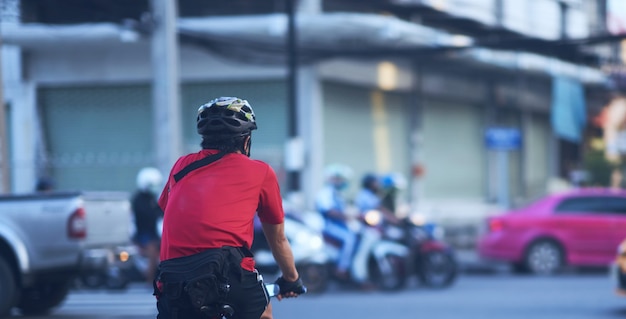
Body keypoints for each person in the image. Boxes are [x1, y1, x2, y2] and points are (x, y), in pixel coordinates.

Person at [156, 97, 304, 319]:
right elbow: (278, 239)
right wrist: (291, 279)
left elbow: (169, 210)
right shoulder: (261, 172)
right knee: (263, 312)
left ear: (205, 139)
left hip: (172, 278)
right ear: (246, 140)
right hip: (226, 271)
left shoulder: (181, 166)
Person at [315, 163, 357, 280]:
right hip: (328, 226)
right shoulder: (325, 193)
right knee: (349, 239)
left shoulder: (338, 194)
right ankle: (341, 269)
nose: (342, 181)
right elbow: (329, 211)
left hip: (340, 226)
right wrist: (346, 216)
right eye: (339, 179)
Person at [131, 167, 164, 286]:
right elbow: (149, 215)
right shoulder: (138, 200)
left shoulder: (152, 199)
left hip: (153, 233)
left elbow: (160, 212)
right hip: (143, 235)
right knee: (152, 249)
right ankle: (149, 279)